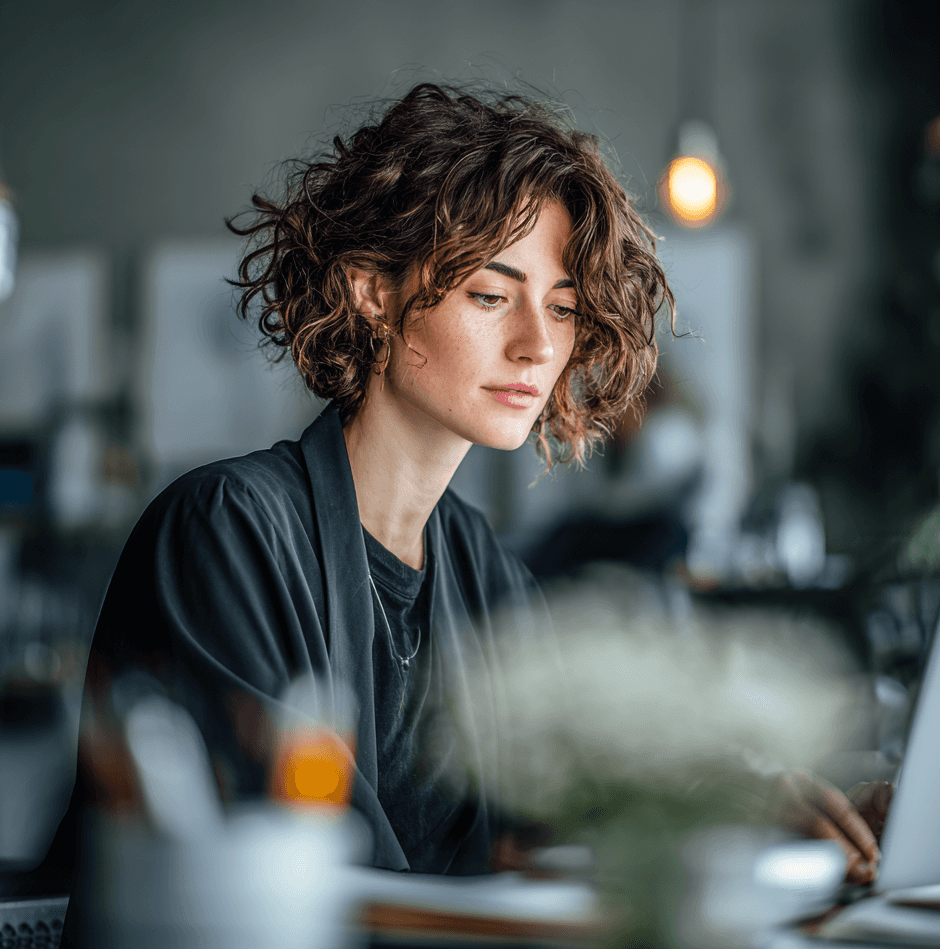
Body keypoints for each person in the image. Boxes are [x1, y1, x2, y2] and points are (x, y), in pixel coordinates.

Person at [57, 83, 887, 910]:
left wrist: (740, 810)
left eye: (561, 309)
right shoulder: (227, 530)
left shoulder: (485, 569)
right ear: (371, 292)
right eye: (491, 296)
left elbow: (574, 798)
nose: (535, 345)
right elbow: (316, 884)